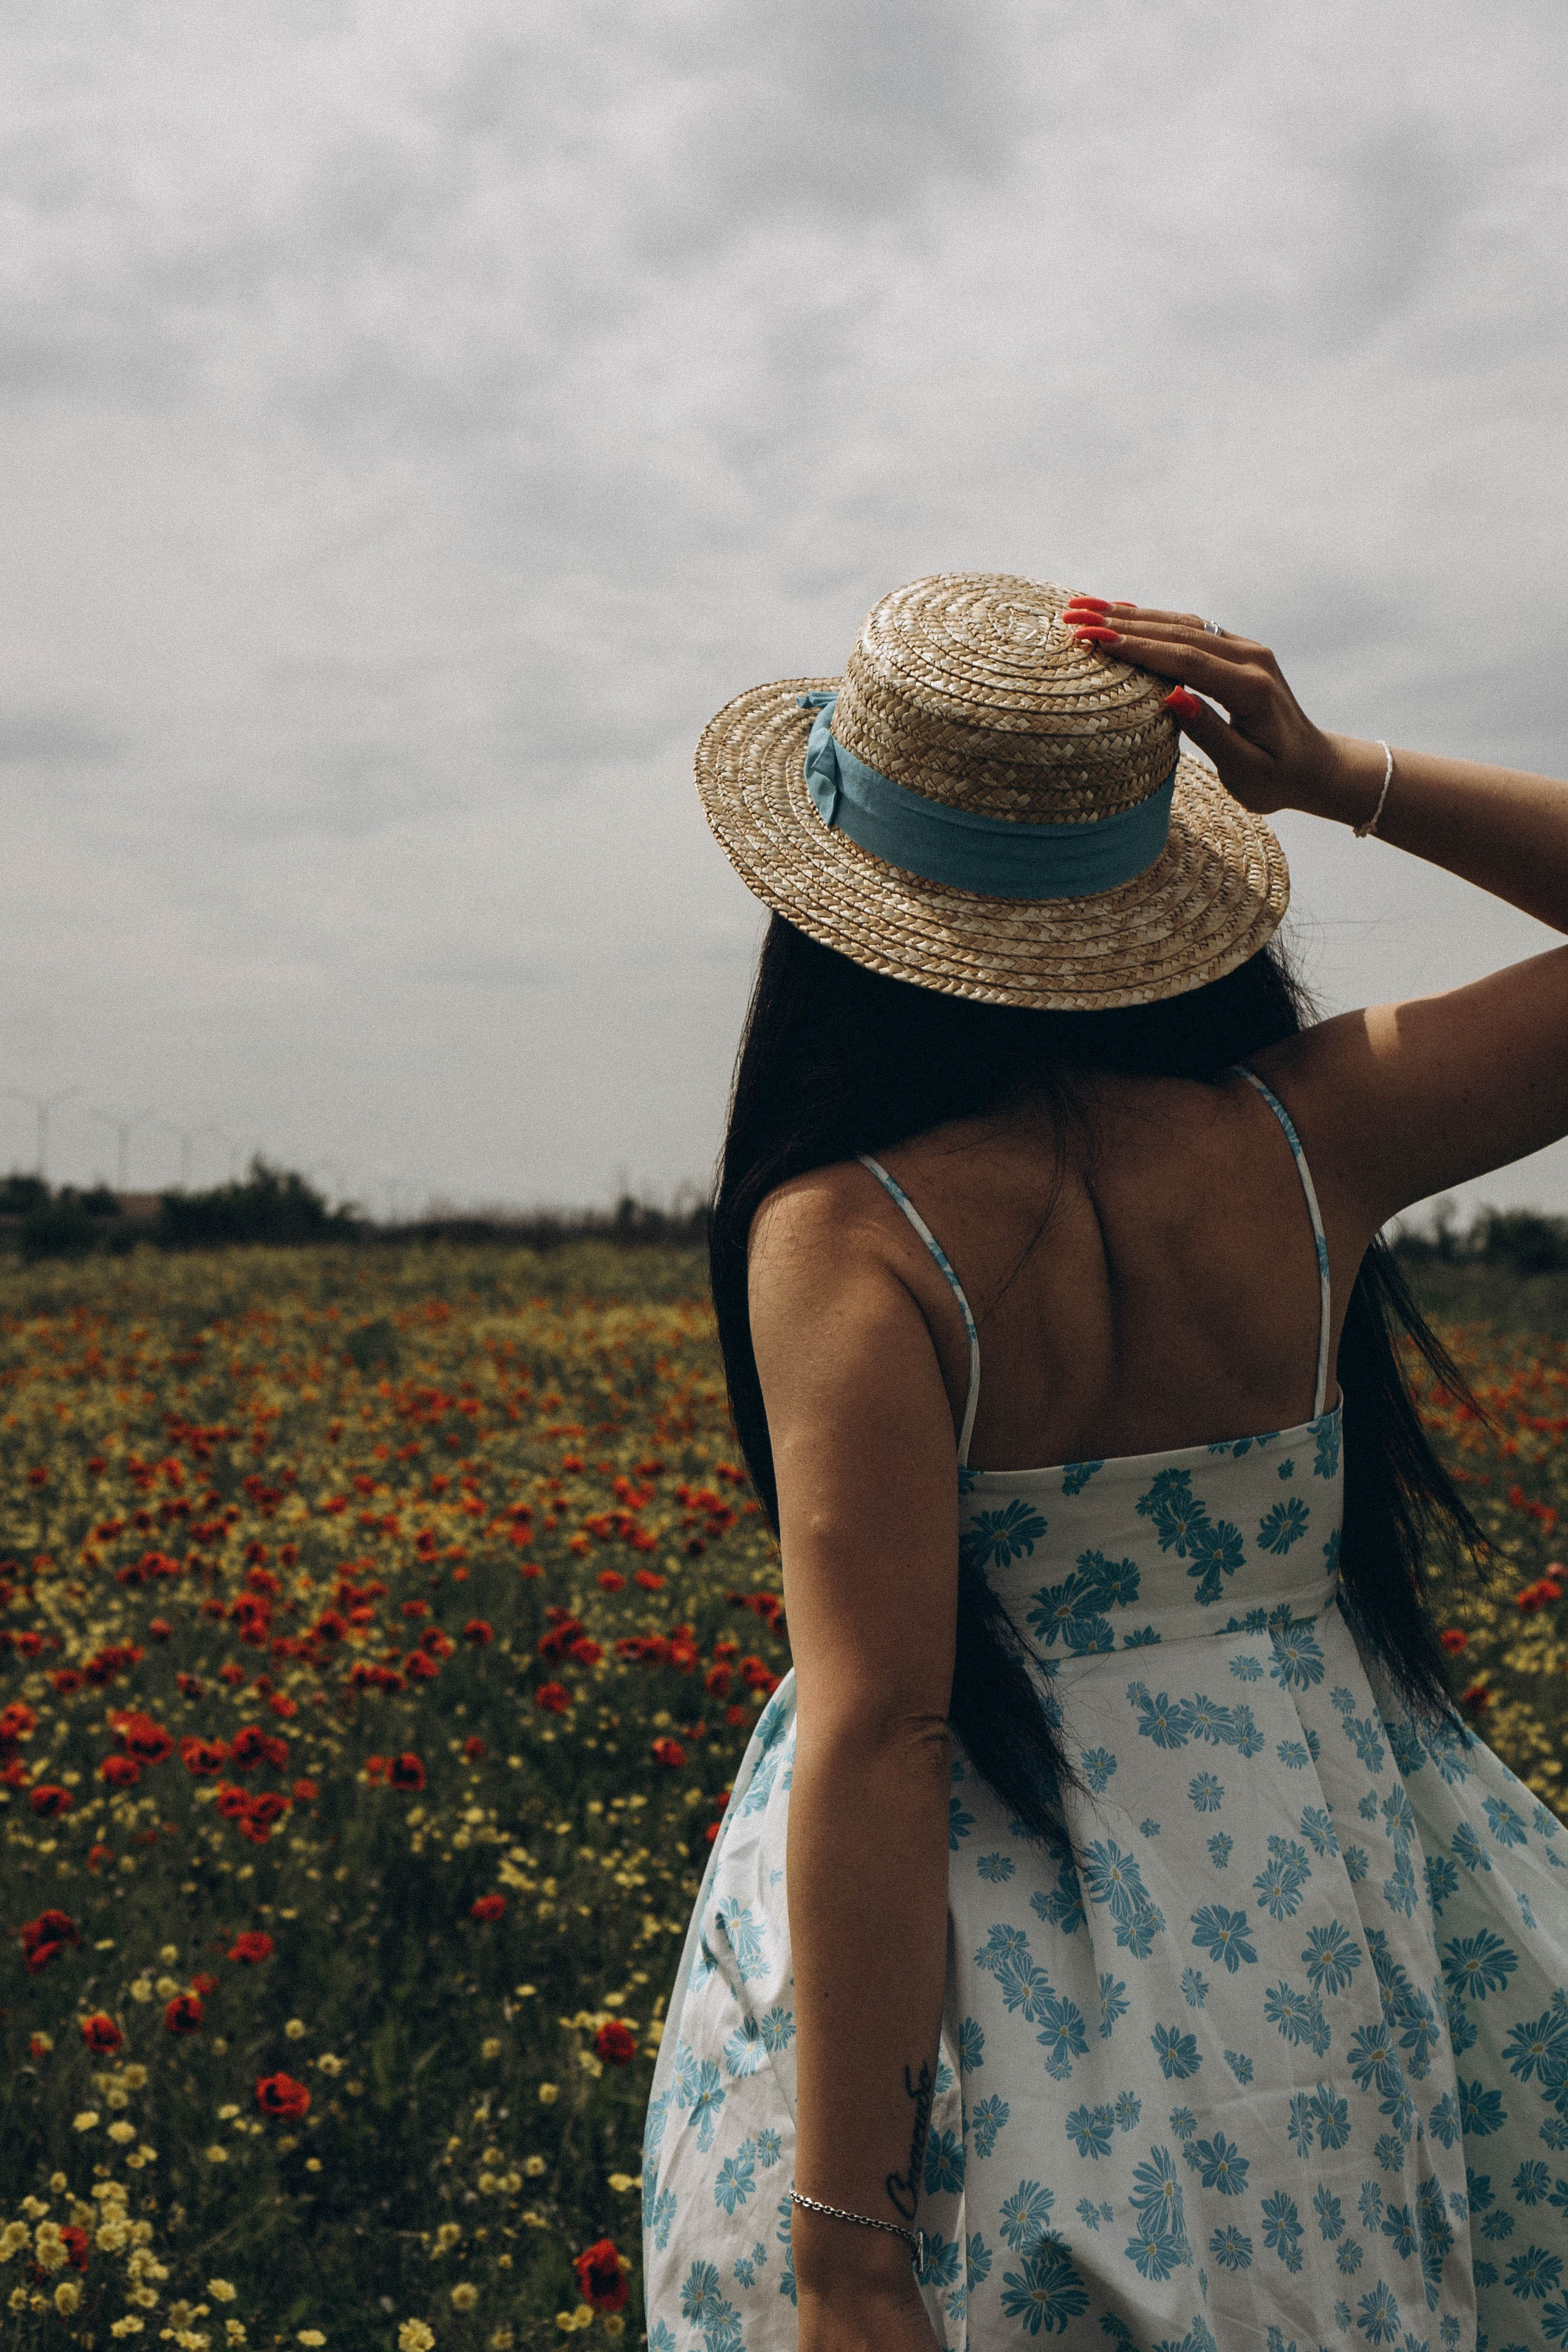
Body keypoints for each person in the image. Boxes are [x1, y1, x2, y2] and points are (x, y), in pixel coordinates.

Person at [640, 573, 1568, 2352]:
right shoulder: (1316, 1131)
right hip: (1314, 1910)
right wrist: (1343, 771)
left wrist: (849, 2258)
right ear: (1156, 878)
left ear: (832, 909)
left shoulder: (854, 1235)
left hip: (974, 1980)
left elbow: (890, 1728)